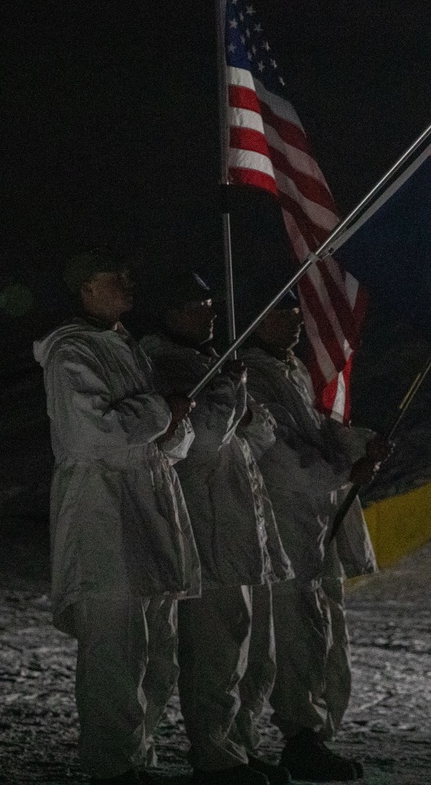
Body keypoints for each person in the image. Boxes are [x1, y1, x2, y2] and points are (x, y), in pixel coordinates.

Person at [33, 249, 202, 784]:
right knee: (115, 654)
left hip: (146, 505)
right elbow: (92, 432)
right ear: (85, 287)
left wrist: (174, 426)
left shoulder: (123, 346)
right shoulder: (71, 353)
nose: (128, 283)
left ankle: (138, 758)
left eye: (130, 273)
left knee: (156, 653)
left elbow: (165, 440)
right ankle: (111, 766)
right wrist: (162, 415)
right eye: (115, 276)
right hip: (104, 513)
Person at [140, 270, 294, 785]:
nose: (209, 312)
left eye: (210, 303)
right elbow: (204, 438)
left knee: (248, 647)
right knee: (212, 650)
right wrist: (230, 389)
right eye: (196, 303)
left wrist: (236, 397)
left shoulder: (211, 364)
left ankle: (238, 744)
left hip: (238, 521)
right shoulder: (163, 363)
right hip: (204, 525)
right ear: (169, 314)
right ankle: (213, 752)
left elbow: (261, 434)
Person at [241, 301, 387, 783]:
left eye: (297, 313)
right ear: (257, 319)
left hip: (315, 519)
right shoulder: (248, 376)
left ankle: (310, 732)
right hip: (283, 520)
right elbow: (282, 460)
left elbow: (317, 431)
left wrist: (359, 445)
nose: (296, 321)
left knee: (322, 627)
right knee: (291, 633)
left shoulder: (293, 370)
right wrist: (345, 470)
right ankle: (284, 736)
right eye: (283, 313)